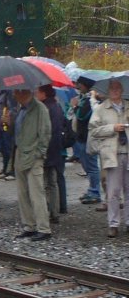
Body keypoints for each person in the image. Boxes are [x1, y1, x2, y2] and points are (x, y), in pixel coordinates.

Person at [8, 87, 52, 241]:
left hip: (33, 155)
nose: (14, 94)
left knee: (36, 193)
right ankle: (29, 225)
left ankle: (43, 228)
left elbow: (45, 133)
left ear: (24, 92)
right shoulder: (22, 109)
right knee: (22, 193)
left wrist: (39, 153)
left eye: (16, 91)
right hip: (20, 153)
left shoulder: (40, 109)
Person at [88, 77, 129, 238]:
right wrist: (113, 128)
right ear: (108, 91)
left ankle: (128, 222)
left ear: (122, 90)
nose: (115, 91)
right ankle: (113, 224)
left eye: (118, 88)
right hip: (112, 153)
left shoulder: (128, 106)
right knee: (113, 192)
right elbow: (94, 131)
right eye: (113, 89)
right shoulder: (101, 109)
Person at [36, 84, 66, 224]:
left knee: (44, 183)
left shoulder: (44, 108)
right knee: (53, 183)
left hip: (47, 149)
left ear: (44, 93)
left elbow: (45, 131)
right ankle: (55, 211)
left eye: (38, 91)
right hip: (56, 149)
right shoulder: (57, 106)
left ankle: (46, 212)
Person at [71, 76, 101, 204]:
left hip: (89, 136)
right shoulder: (84, 99)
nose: (78, 86)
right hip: (82, 136)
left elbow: (82, 116)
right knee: (86, 164)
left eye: (80, 84)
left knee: (92, 166)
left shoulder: (89, 100)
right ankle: (91, 189)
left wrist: (75, 106)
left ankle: (95, 191)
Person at [0, 90, 18, 180]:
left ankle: (11, 170)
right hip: (1, 125)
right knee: (3, 148)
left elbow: (12, 108)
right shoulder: (1, 93)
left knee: (9, 148)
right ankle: (5, 168)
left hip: (7, 125)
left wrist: (9, 117)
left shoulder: (10, 92)